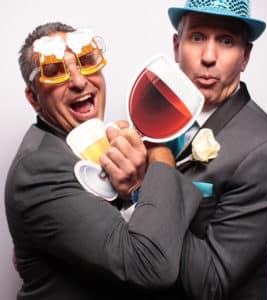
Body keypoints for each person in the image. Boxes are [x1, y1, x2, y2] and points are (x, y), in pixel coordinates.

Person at [5, 22, 202, 299]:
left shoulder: (97, 143)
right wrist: (159, 152)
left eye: (86, 62)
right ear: (34, 99)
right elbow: (152, 266)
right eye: (54, 72)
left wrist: (137, 188)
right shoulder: (39, 169)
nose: (78, 81)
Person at [162, 0, 267, 299]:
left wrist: (145, 185)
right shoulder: (154, 116)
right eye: (197, 37)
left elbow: (212, 281)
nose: (209, 57)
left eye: (226, 41)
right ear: (176, 45)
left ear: (245, 56)